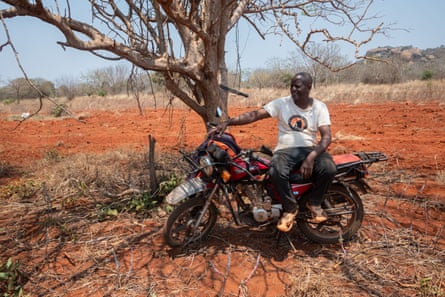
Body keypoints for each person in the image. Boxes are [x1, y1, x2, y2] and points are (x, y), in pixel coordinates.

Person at [216, 72, 336, 232]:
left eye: (298, 86)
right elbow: (254, 115)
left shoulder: (319, 107)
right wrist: (229, 122)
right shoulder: (282, 104)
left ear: (309, 87)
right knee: (276, 171)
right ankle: (290, 208)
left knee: (329, 168)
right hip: (285, 150)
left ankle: (314, 202)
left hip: (309, 148)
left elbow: (326, 137)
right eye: (292, 85)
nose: (293, 89)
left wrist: (311, 158)